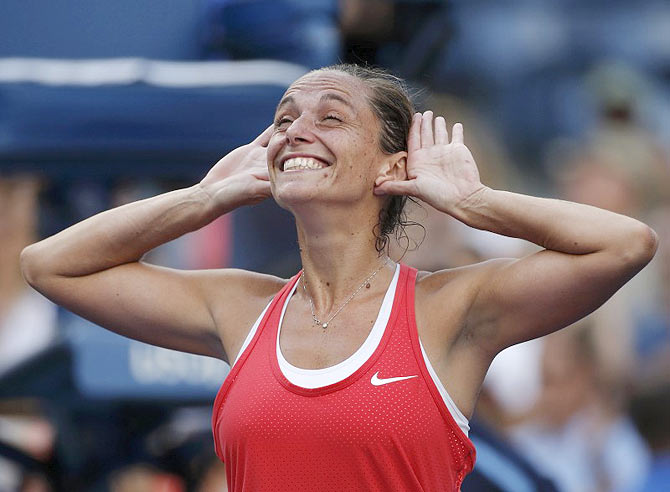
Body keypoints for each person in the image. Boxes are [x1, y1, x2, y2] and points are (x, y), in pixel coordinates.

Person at [20, 64, 658, 491]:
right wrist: (204, 198)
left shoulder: (449, 308)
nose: (296, 130)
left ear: (390, 167)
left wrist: (471, 201)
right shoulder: (241, 306)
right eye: (284, 119)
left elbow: (625, 245)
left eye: (330, 118)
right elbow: (49, 264)